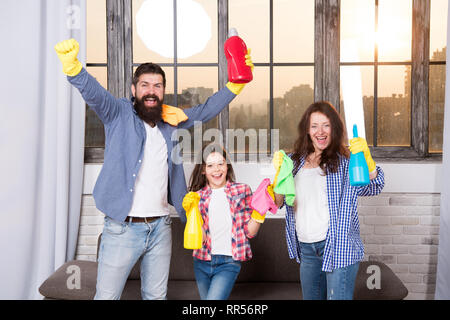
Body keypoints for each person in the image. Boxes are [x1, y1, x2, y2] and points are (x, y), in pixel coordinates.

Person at [54, 38, 253, 300]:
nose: (151, 90)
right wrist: (74, 69)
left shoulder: (170, 121)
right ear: (134, 89)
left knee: (156, 297)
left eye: (157, 86)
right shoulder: (117, 113)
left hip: (160, 227)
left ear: (163, 91)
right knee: (107, 297)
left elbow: (205, 111)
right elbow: (95, 94)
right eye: (145, 85)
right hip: (122, 229)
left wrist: (235, 85)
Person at [273, 101, 385, 300]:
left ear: (334, 128)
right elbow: (278, 202)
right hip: (307, 249)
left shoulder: (345, 162)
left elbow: (374, 186)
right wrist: (278, 178)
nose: (320, 131)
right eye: (314, 126)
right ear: (307, 130)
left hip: (337, 245)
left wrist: (369, 162)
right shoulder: (293, 162)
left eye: (326, 125)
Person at [186, 144, 263, 300]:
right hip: (201, 261)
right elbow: (199, 240)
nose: (217, 169)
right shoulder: (196, 197)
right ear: (203, 170)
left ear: (227, 166)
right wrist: (190, 211)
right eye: (210, 165)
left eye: (221, 164)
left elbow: (250, 232)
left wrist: (260, 212)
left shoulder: (242, 191)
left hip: (229, 262)